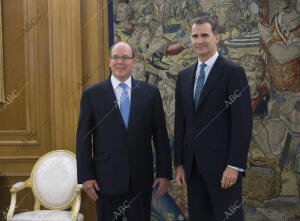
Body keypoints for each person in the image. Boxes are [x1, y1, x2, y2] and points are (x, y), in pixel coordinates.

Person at [76, 42, 172, 221]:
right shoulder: (92, 94)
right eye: (116, 57)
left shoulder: (150, 93)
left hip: (141, 179)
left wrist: (164, 173)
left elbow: (160, 136)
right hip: (105, 180)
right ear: (109, 61)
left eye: (126, 58)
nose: (120, 62)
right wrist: (86, 177)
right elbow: (82, 138)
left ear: (134, 61)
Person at [174, 16, 252, 221]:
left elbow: (242, 124)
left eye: (204, 35)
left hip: (224, 170)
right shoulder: (184, 76)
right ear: (190, 40)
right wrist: (180, 163)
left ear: (216, 37)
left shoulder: (233, 73)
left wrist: (234, 165)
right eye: (195, 36)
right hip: (193, 169)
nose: (199, 40)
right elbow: (181, 123)